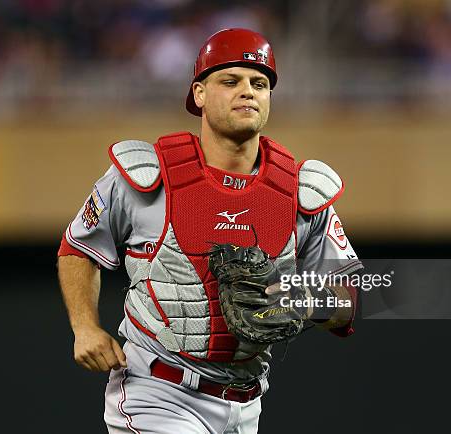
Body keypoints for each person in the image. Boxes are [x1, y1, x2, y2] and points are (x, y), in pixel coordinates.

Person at [57, 28, 362, 434]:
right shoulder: (147, 175)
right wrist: (84, 326)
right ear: (199, 93)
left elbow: (349, 298)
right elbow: (77, 248)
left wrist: (304, 300)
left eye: (259, 83)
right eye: (230, 81)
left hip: (246, 403)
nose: (247, 92)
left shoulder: (301, 192)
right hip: (157, 393)